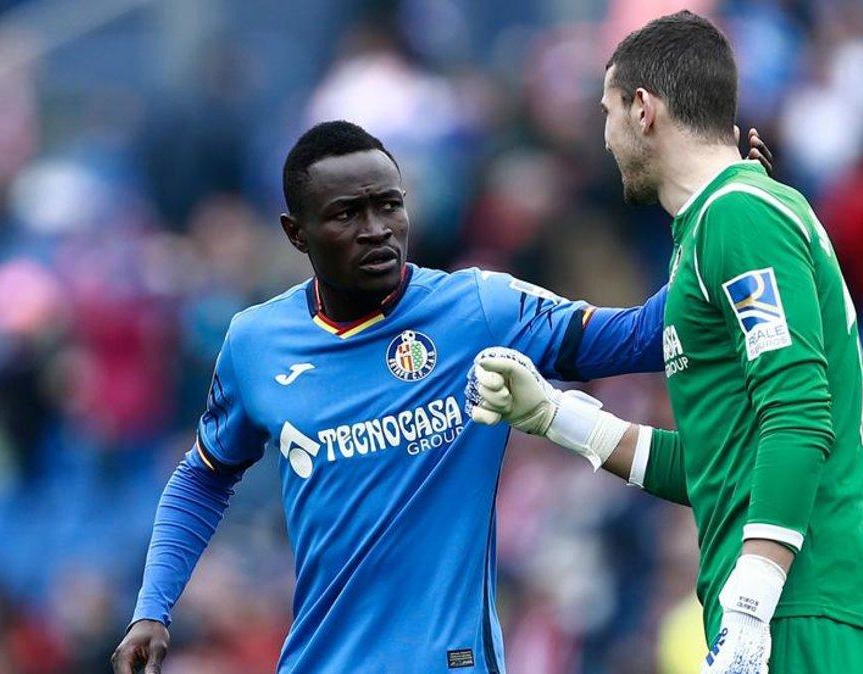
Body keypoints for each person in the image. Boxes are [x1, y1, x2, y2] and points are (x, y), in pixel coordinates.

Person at [111, 119, 773, 673]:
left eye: (388, 204)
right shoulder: (256, 343)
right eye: (347, 214)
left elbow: (639, 337)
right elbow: (202, 477)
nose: (377, 229)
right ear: (297, 233)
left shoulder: (479, 308)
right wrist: (152, 608)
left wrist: (722, 217)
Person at [466, 11, 863, 674]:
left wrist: (753, 603)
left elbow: (798, 410)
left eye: (608, 111)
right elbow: (713, 466)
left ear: (644, 110)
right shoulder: (716, 228)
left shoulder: (739, 215)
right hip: (787, 602)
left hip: (802, 603)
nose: (606, 137)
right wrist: (555, 416)